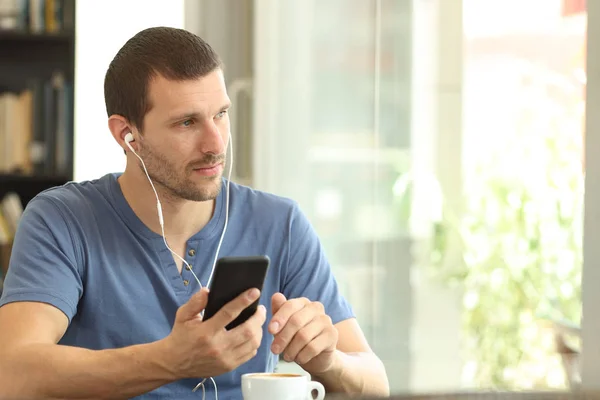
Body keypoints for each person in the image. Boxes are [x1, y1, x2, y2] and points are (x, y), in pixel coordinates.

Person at [0, 27, 389, 399]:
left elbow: (374, 381)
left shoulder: (279, 222)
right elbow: (12, 375)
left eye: (220, 114)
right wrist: (169, 361)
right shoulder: (62, 220)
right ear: (126, 135)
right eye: (187, 122)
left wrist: (329, 363)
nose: (215, 143)